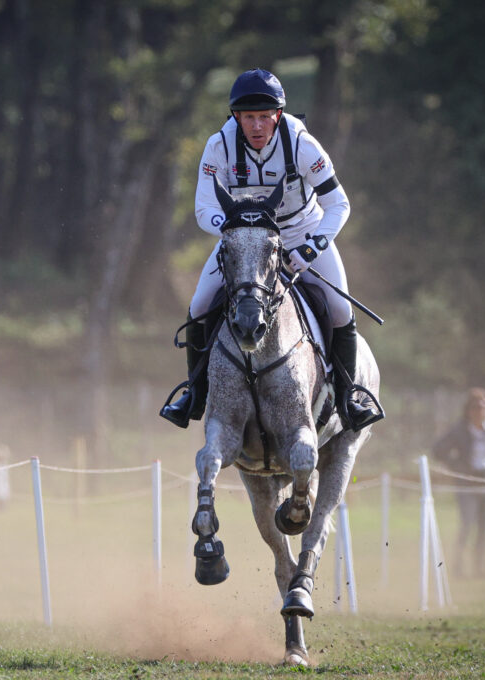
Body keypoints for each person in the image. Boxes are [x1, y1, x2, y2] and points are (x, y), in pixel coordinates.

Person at [160, 68, 382, 432]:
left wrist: (311, 250)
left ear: (278, 115)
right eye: (249, 117)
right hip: (244, 238)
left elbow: (339, 204)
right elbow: (204, 209)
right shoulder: (219, 145)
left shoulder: (302, 143)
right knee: (200, 306)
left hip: (302, 231)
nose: (258, 126)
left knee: (341, 308)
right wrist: (236, 231)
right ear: (236, 117)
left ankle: (348, 397)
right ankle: (194, 395)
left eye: (265, 116)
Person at [433, 388, 485, 578]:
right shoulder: (459, 431)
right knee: (467, 525)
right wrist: (457, 466)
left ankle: (480, 567)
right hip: (467, 485)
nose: (480, 411)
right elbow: (438, 450)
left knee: (484, 528)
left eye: (484, 407)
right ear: (468, 410)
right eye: (476, 407)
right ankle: (457, 566)